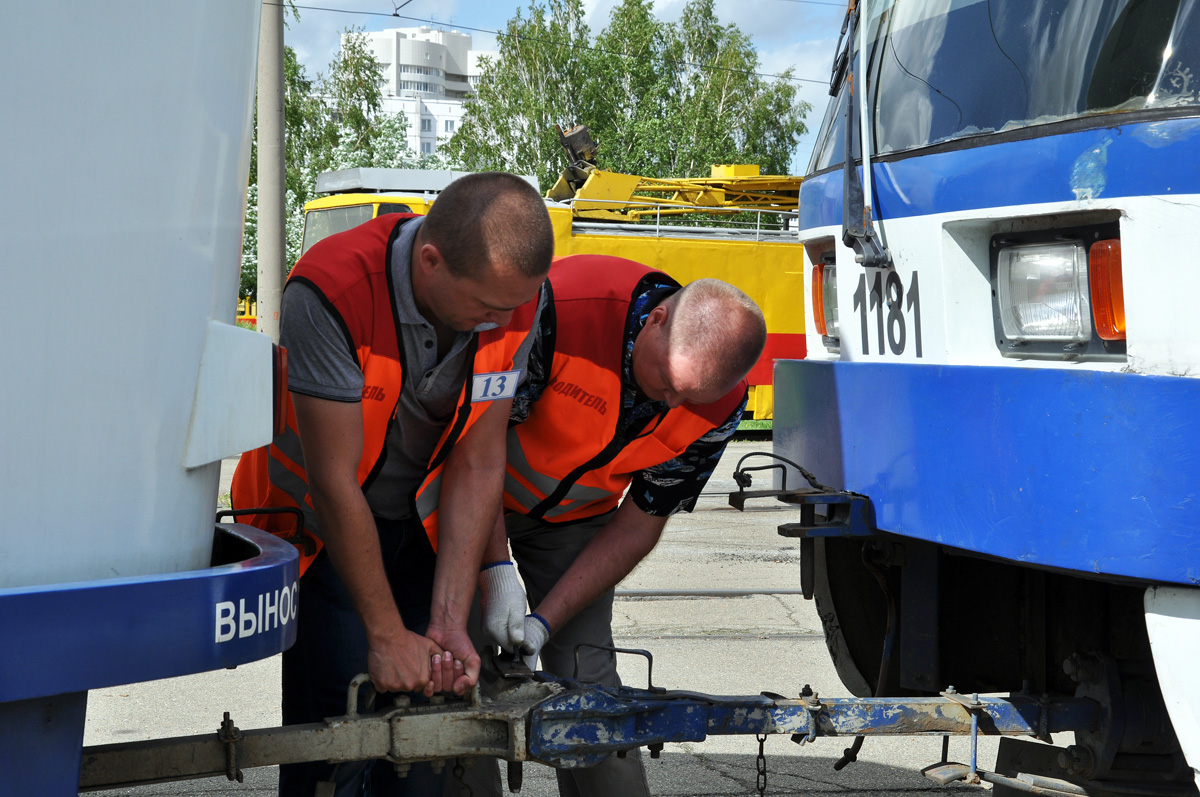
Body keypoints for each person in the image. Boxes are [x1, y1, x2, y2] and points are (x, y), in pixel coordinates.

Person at [230, 172, 555, 797]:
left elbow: (481, 459)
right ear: (430, 262)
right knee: (340, 729)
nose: (504, 322)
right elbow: (332, 480)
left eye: (516, 306)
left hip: (421, 524)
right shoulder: (331, 290)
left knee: (428, 738)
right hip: (325, 529)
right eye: (489, 307)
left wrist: (451, 618)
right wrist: (382, 633)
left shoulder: (516, 301)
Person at [465, 254, 767, 796]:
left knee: (588, 682)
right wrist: (493, 569)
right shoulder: (558, 309)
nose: (670, 402)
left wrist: (545, 623)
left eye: (690, 395)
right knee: (460, 672)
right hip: (469, 495)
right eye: (670, 381)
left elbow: (638, 523)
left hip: (574, 520)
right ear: (657, 321)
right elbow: (475, 443)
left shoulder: (719, 404)